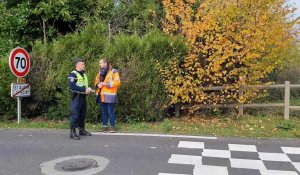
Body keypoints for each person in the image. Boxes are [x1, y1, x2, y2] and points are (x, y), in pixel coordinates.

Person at [68, 58, 92, 140]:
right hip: (76, 98)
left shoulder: (83, 74)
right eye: (82, 64)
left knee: (82, 114)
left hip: (83, 97)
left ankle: (81, 130)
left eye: (83, 64)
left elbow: (84, 85)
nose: (84, 65)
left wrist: (88, 90)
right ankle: (72, 132)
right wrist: (84, 90)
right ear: (77, 65)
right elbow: (72, 86)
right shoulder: (73, 74)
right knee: (75, 114)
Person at [94, 59, 121, 133]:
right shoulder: (100, 71)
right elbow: (96, 80)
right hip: (101, 95)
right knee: (103, 112)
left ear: (105, 63)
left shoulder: (114, 71)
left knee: (110, 112)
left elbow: (117, 82)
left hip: (110, 96)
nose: (100, 64)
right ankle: (104, 126)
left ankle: (112, 127)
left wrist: (106, 84)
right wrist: (97, 84)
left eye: (101, 63)